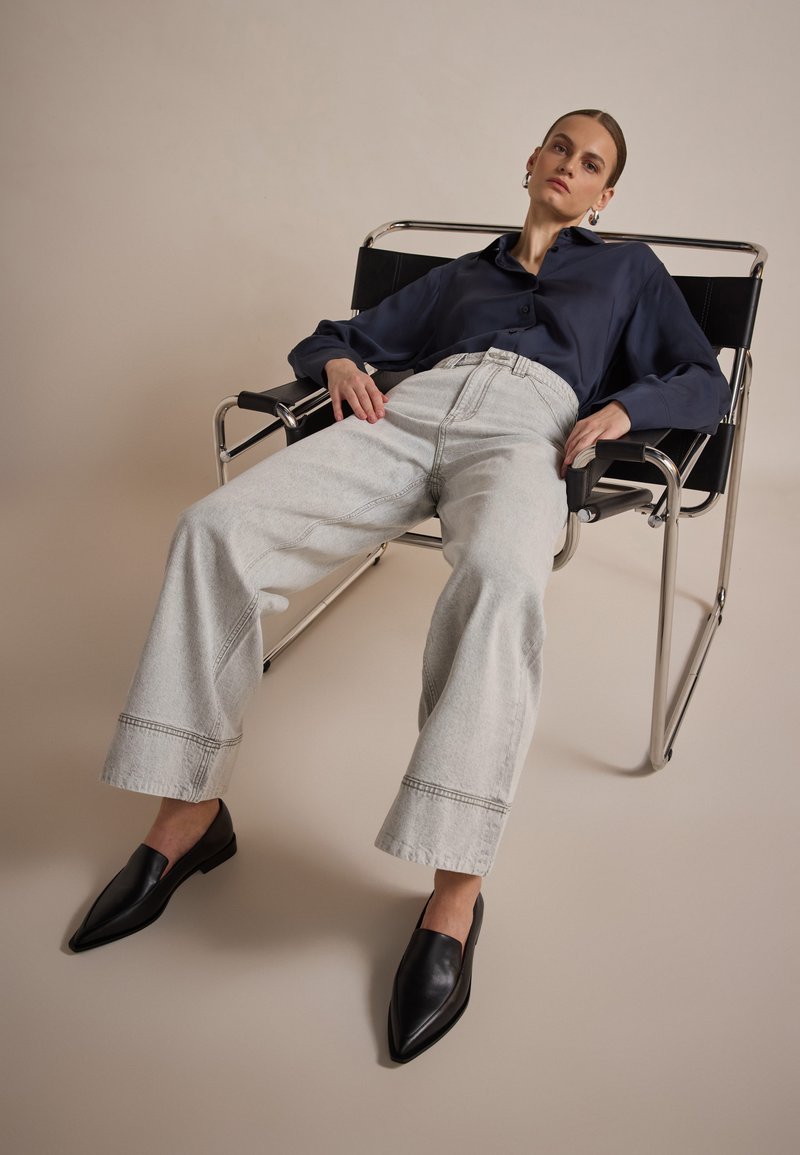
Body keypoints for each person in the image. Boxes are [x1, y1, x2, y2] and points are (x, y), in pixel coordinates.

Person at [68, 110, 730, 1063]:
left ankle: (456, 891)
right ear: (532, 159)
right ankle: (189, 811)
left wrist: (625, 408)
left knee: (501, 576)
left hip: (531, 428)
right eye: (559, 147)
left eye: (591, 163)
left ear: (604, 195)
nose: (569, 166)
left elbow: (702, 378)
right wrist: (340, 362)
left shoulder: (628, 271)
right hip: (407, 412)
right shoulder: (460, 276)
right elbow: (336, 336)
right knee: (213, 528)